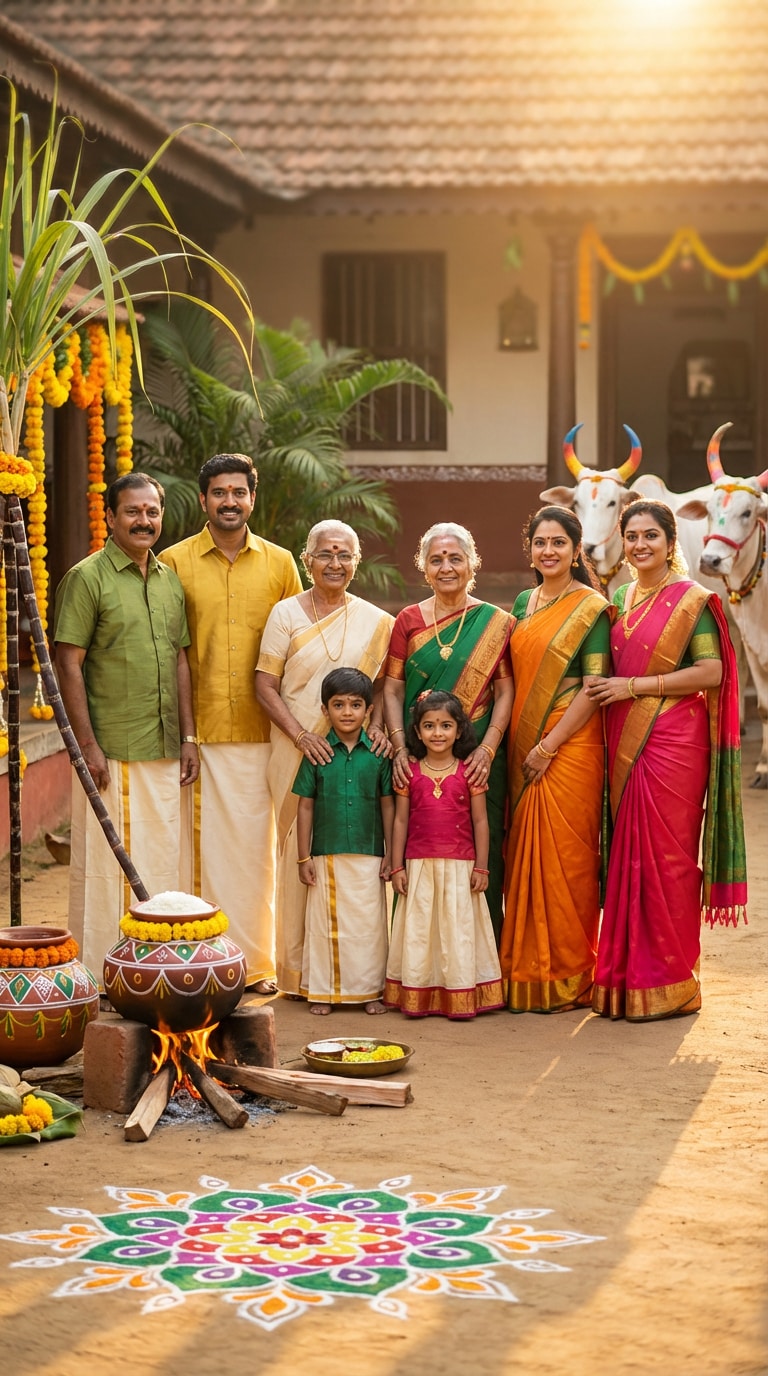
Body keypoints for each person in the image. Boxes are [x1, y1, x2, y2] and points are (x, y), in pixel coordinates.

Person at [585, 500, 747, 1020]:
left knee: (669, 860)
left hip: (674, 741)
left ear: (671, 542)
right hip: (624, 738)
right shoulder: (619, 597)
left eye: (650, 535)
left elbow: (711, 673)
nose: (639, 545)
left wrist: (634, 685)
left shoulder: (691, 600)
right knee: (628, 859)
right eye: (631, 536)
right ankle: (623, 978)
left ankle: (671, 980)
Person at [160, 453, 302, 992]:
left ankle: (257, 964)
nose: (229, 502)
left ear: (252, 498)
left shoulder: (281, 563)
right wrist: (187, 732)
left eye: (238, 492)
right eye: (219, 492)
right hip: (205, 732)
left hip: (269, 729)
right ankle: (203, 960)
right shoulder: (173, 562)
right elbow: (173, 652)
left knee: (259, 855)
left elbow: (299, 648)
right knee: (204, 853)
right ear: (203, 500)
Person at [54, 473, 199, 979]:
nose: (144, 521)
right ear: (110, 518)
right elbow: (67, 662)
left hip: (161, 746)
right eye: (133, 512)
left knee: (159, 862)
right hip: (108, 749)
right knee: (103, 867)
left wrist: (187, 737)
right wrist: (86, 746)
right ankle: (98, 974)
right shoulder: (87, 577)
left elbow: (180, 660)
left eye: (152, 512)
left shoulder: (167, 580)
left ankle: (150, 971)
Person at [255, 520, 393, 995]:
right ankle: (298, 970)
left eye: (345, 555)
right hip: (295, 751)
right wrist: (299, 736)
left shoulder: (377, 621)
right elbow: (265, 685)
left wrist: (376, 728)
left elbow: (380, 687)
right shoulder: (285, 614)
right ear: (306, 558)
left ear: (356, 562)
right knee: (300, 851)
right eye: (325, 554)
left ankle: (359, 977)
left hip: (354, 754)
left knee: (352, 858)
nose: (335, 563)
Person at [499, 506, 611, 1013]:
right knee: (523, 853)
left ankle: (568, 973)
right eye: (540, 543)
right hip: (523, 740)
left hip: (571, 744)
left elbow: (593, 688)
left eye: (559, 543)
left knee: (567, 859)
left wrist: (549, 745)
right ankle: (523, 973)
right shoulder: (524, 602)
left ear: (575, 550)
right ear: (530, 550)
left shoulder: (591, 607)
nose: (548, 551)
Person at [383, 523, 512, 942]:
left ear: (472, 563)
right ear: (423, 567)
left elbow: (504, 689)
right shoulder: (408, 620)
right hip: (422, 761)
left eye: (455, 558)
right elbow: (394, 687)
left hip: (476, 761)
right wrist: (401, 748)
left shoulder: (495, 622)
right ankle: (418, 965)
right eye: (436, 559)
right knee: (418, 849)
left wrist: (489, 749)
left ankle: (480, 962)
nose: (446, 567)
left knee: (480, 849)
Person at [384, 690, 504, 1019]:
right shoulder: (409, 773)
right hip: (419, 865)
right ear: (417, 732)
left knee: (458, 929)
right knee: (423, 931)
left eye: (446, 725)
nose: (438, 733)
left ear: (460, 730)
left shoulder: (470, 773)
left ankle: (460, 993)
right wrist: (397, 868)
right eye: (429, 726)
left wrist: (482, 867)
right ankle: (420, 995)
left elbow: (481, 821)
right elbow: (400, 820)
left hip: (461, 868)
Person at [293, 667, 394, 1015]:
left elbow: (388, 805)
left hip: (369, 853)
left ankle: (369, 992)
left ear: (368, 709)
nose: (347, 712)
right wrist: (303, 857)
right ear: (325, 710)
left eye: (355, 705)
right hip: (325, 852)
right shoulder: (317, 753)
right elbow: (305, 806)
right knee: (324, 925)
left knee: (369, 927)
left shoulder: (379, 755)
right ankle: (323, 992)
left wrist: (391, 854)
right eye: (338, 705)